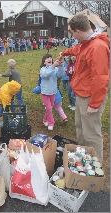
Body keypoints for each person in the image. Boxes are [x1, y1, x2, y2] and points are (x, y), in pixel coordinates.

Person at [58, 14, 110, 163]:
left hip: (90, 97)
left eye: (72, 33)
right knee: (80, 129)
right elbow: (77, 49)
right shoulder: (87, 43)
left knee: (91, 134)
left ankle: (94, 169)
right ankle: (83, 160)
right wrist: (64, 52)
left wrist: (94, 104)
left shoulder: (97, 47)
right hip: (82, 95)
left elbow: (100, 78)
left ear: (78, 31)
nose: (73, 36)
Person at [40, 54, 64, 130]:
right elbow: (45, 75)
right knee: (49, 108)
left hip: (53, 92)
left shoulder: (55, 69)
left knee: (49, 108)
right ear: (44, 62)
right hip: (45, 93)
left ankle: (45, 119)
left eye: (50, 58)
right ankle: (51, 122)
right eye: (47, 58)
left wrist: (60, 66)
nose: (49, 59)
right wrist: (53, 66)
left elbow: (60, 74)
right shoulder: (43, 69)